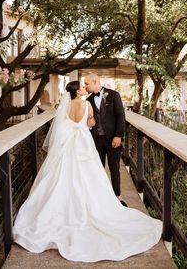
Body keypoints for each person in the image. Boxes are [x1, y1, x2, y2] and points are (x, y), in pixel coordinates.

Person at [13, 81, 162, 262]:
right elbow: (91, 123)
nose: (84, 88)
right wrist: (86, 122)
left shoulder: (65, 106)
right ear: (77, 92)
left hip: (68, 145)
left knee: (62, 176)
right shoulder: (87, 104)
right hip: (83, 144)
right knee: (89, 176)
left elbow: (60, 127)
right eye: (82, 87)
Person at [84, 73, 126, 206]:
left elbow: (120, 116)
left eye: (87, 83)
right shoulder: (88, 100)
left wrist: (118, 136)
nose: (85, 86)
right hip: (97, 140)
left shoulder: (113, 95)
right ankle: (101, 197)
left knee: (114, 168)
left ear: (95, 82)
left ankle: (117, 197)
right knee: (98, 168)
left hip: (113, 139)